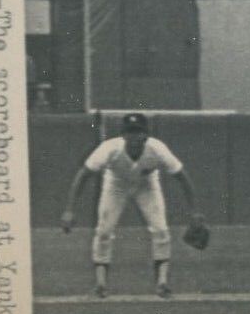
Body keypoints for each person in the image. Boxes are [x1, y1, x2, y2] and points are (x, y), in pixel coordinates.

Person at [59, 112, 205, 299]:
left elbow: (182, 177)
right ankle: (101, 284)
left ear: (146, 135)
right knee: (104, 231)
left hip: (147, 184)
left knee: (161, 229)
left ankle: (162, 283)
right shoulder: (109, 149)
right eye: (130, 132)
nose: (134, 137)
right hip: (116, 184)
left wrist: (195, 211)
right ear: (123, 135)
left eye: (138, 132)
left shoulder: (157, 149)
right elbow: (83, 175)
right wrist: (69, 210)